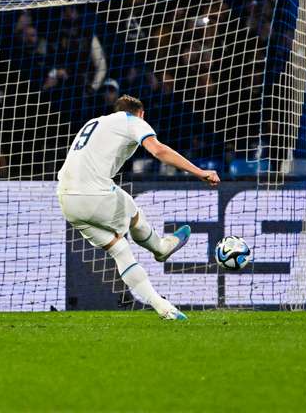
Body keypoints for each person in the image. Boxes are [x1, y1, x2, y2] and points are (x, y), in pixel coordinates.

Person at [56, 95, 220, 320]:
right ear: (141, 114)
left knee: (119, 250)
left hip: (66, 199)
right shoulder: (132, 121)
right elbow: (158, 150)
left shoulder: (94, 122)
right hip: (93, 193)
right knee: (134, 215)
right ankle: (160, 248)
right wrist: (200, 172)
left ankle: (163, 308)